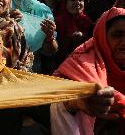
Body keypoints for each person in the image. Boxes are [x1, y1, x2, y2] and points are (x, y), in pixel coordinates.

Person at [51, 7, 125, 135]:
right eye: (117, 35)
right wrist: (81, 102)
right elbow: (60, 100)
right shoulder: (81, 63)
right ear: (103, 37)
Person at [11, 0, 57, 73]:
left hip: (33, 70)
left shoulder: (44, 11)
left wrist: (49, 37)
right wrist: (6, 22)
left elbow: (50, 52)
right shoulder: (6, 5)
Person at [54, 0, 93, 66]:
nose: (77, 2)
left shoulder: (87, 21)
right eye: (72, 0)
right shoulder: (58, 21)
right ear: (64, 3)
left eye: (80, 0)